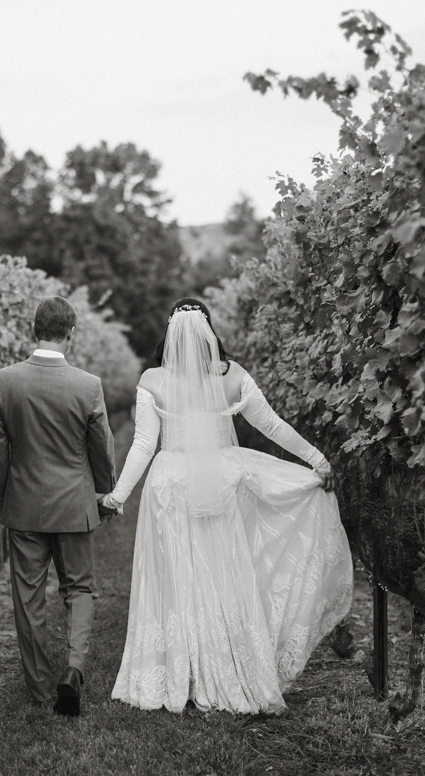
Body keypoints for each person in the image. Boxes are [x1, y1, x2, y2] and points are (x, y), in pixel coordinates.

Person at [101, 297, 353, 715]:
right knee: (223, 573)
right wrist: (317, 459)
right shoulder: (233, 376)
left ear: (171, 333)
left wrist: (118, 496)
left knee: (176, 577)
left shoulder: (153, 379)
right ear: (208, 332)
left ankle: (178, 671)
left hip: (169, 485)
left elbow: (144, 445)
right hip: (220, 480)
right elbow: (270, 424)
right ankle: (229, 667)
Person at [0, 296, 118, 717]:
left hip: (24, 505)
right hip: (74, 505)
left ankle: (41, 691)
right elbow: (101, 447)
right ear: (71, 333)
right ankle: (74, 670)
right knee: (79, 588)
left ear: (33, 330)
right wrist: (105, 492)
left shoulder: (3, 381)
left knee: (28, 598)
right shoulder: (88, 385)